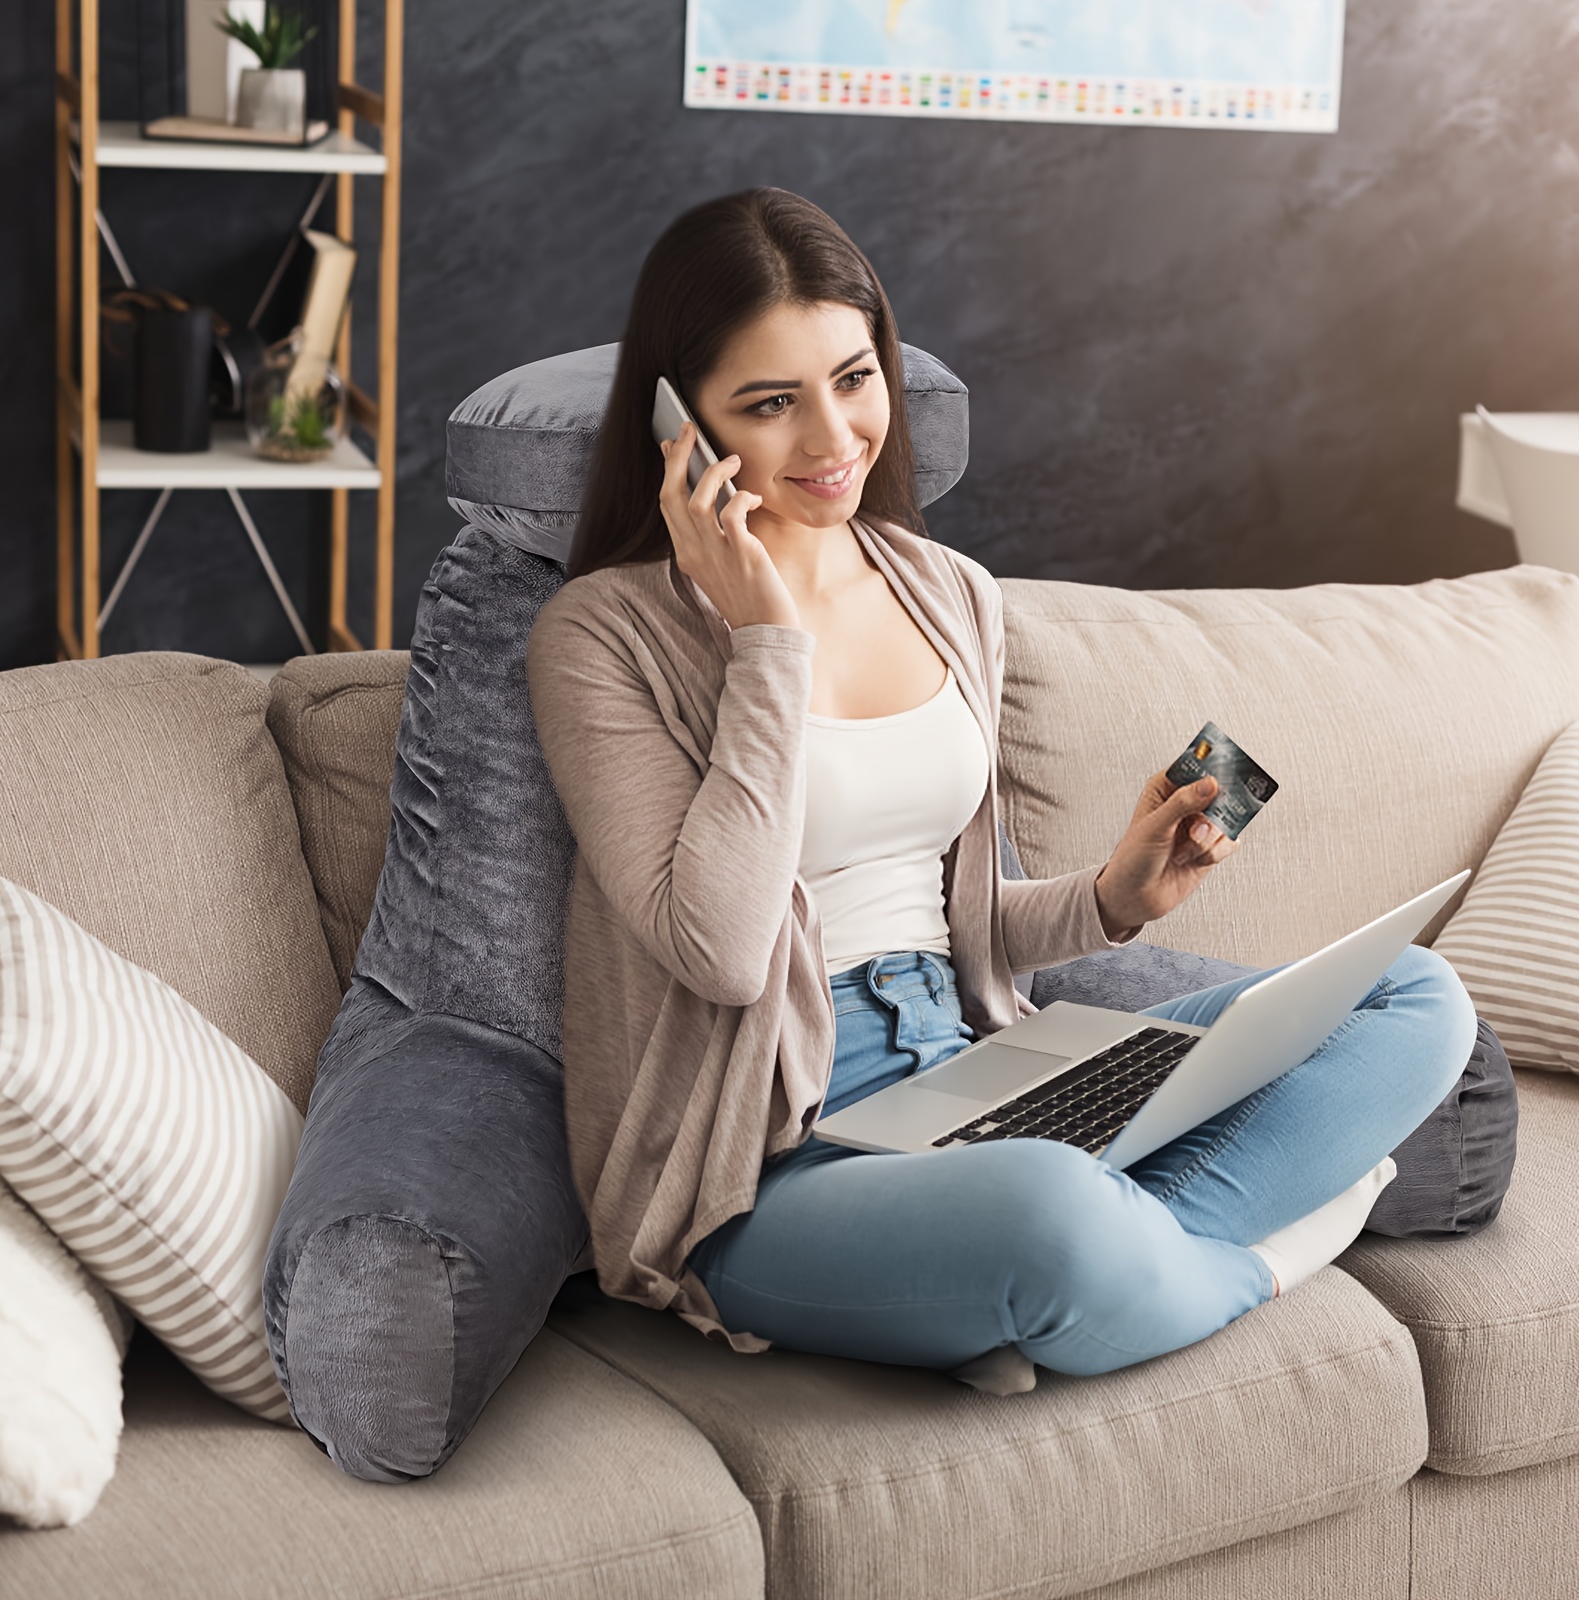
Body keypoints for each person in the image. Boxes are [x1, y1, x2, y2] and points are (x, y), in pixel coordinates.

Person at [525, 187, 1476, 1392]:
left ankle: (1076, 1275)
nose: (833, 438)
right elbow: (716, 950)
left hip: (979, 1077)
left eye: (853, 379)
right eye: (770, 404)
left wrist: (1112, 897)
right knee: (1049, 1214)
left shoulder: (947, 589)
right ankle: (1252, 1259)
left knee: (1413, 995)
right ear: (682, 428)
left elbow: (955, 920)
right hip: (771, 1166)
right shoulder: (600, 634)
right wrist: (766, 642)